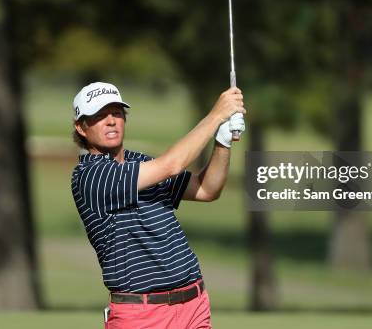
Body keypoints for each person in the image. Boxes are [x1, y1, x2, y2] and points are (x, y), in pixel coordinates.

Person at [70, 81, 245, 329]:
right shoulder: (90, 176)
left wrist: (222, 142)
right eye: (99, 116)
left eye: (117, 113)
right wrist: (216, 115)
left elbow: (207, 189)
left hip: (193, 305)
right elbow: (171, 165)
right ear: (82, 128)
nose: (111, 121)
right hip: (142, 314)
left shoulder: (139, 162)